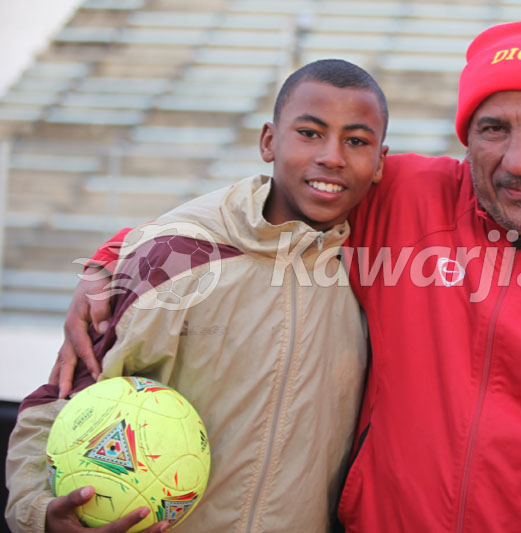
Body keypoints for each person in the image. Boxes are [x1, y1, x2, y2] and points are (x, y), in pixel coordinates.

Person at [43, 22, 521, 532]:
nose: (517, 159)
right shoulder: (406, 194)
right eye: (493, 128)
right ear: (466, 136)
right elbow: (254, 210)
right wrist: (115, 258)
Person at [5, 58, 388, 533]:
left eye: (356, 141)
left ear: (380, 163)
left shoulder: (374, 270)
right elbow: (57, 403)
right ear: (268, 141)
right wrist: (38, 513)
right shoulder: (175, 257)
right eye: (309, 133)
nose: (332, 155)